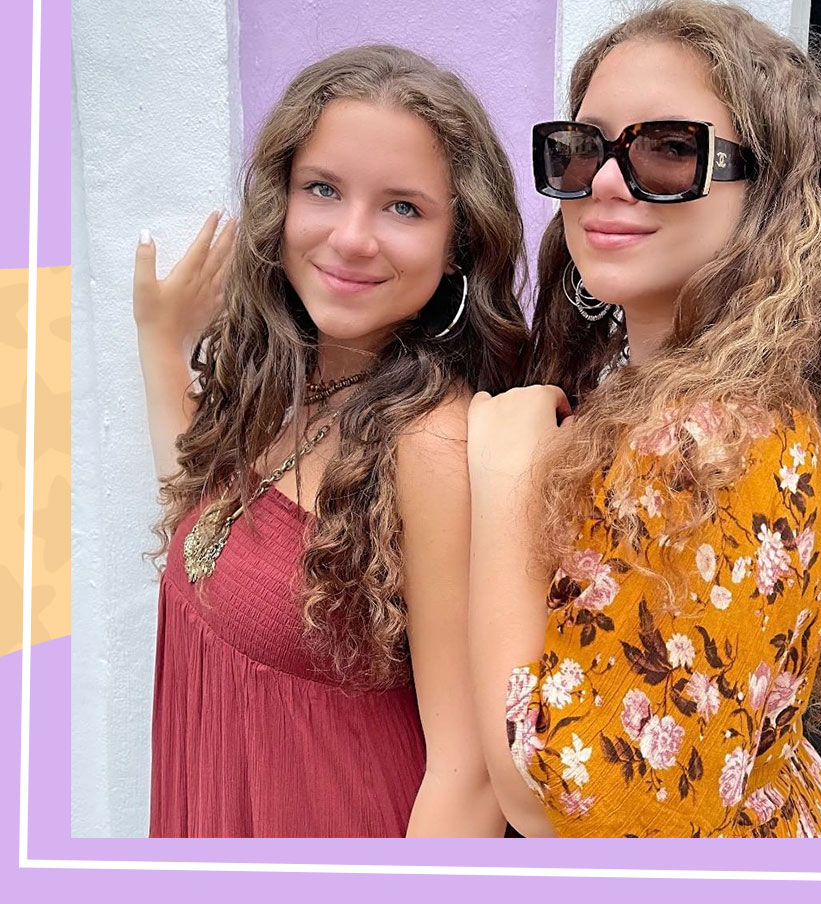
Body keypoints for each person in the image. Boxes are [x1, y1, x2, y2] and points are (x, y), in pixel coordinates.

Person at [468, 0, 821, 838]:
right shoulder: (690, 396)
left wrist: (501, 477)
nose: (604, 180)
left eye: (669, 150)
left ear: (771, 194)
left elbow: (577, 811)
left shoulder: (707, 435)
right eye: (581, 149)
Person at [132, 44, 528, 837]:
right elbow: (206, 530)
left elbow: (470, 779)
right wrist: (159, 341)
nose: (351, 239)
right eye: (323, 190)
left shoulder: (430, 449)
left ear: (459, 247)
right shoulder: (289, 387)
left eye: (403, 208)